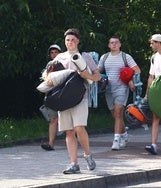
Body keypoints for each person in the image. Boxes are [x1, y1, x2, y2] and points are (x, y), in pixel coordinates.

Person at [53, 28, 101, 174]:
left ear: (78, 41)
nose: (70, 42)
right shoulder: (59, 57)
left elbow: (98, 76)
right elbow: (50, 75)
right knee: (69, 131)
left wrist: (88, 75)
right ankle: (74, 163)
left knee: (79, 127)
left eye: (73, 40)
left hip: (81, 97)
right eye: (68, 40)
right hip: (64, 98)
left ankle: (87, 155)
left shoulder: (85, 56)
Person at [98, 36, 141, 150]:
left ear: (120, 44)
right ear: (108, 45)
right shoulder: (105, 57)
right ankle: (125, 135)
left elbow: (137, 70)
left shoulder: (125, 56)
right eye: (112, 43)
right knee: (115, 115)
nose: (114, 44)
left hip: (122, 88)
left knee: (118, 113)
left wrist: (130, 80)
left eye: (116, 42)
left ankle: (116, 140)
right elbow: (98, 70)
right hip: (108, 89)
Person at [40, 44, 61, 151]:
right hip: (52, 95)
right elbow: (46, 83)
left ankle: (73, 141)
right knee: (53, 119)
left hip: (65, 94)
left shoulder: (66, 63)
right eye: (52, 52)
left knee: (69, 120)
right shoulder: (48, 67)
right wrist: (46, 97)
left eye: (56, 52)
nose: (54, 54)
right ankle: (51, 143)